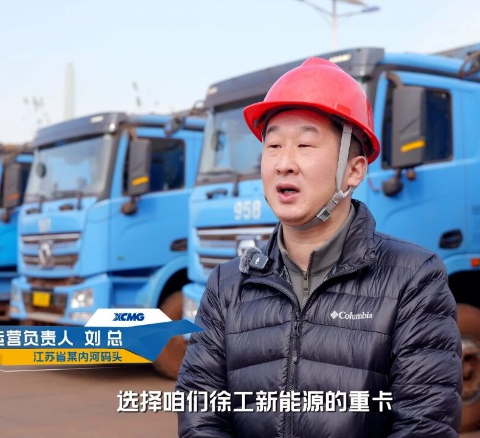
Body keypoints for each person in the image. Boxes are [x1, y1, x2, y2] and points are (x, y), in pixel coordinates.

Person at [176, 57, 462, 437]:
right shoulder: (227, 286)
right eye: (273, 145)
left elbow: (425, 424)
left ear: (354, 170)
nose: (284, 163)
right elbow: (201, 414)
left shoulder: (413, 279)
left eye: (305, 144)